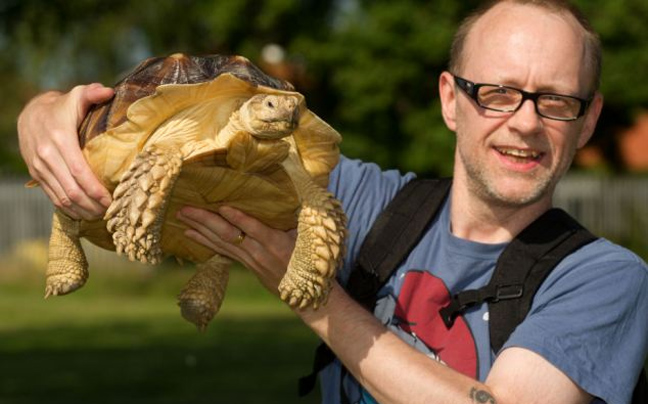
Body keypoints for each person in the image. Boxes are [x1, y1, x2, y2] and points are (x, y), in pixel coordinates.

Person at [17, 0, 648, 403]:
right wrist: (43, 113)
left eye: (556, 101)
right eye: (497, 93)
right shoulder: (375, 206)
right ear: (450, 99)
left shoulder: (605, 280)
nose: (525, 123)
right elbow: (190, 131)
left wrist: (316, 297)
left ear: (588, 121)